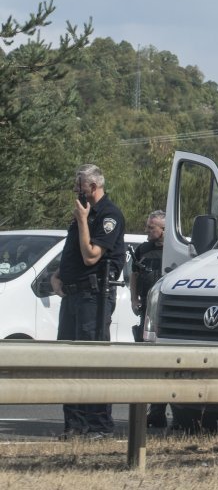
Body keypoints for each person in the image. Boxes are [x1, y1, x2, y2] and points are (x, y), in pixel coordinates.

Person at [50, 164, 126, 441]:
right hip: (72, 296)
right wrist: (57, 276)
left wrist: (83, 221)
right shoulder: (82, 214)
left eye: (79, 185)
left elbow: (91, 256)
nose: (76, 190)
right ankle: (75, 425)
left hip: (94, 298)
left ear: (93, 187)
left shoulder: (108, 215)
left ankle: (98, 426)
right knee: (69, 361)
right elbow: (72, 252)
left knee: (91, 361)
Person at [130, 209, 169, 428]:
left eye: (151, 227)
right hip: (146, 310)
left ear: (163, 229)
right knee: (146, 361)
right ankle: (153, 411)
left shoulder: (176, 250)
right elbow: (134, 274)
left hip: (164, 313)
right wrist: (134, 299)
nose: (147, 230)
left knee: (164, 361)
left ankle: (161, 409)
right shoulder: (142, 250)